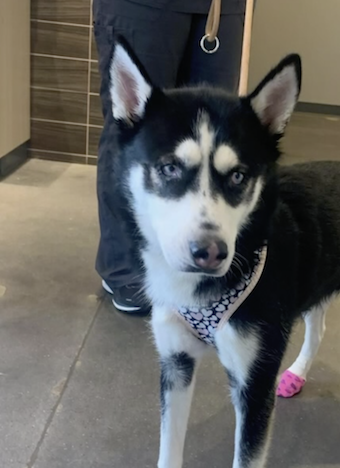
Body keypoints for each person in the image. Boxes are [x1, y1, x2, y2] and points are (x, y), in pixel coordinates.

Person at [92, 0, 245, 314]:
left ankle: (194, 262)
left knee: (215, 139)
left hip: (221, 8)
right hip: (143, 6)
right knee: (136, 137)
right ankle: (126, 269)